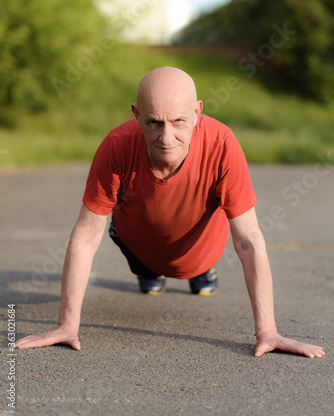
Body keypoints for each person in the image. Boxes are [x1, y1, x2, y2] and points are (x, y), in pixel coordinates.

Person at [16, 66, 325, 358]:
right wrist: (66, 326)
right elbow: (85, 237)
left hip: (201, 248)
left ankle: (202, 270)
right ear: (136, 115)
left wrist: (268, 331)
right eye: (154, 123)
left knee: (196, 265)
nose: (166, 138)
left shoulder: (222, 144)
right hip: (141, 243)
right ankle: (150, 272)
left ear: (197, 112)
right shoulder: (116, 145)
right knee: (143, 266)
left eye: (178, 121)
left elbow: (249, 240)